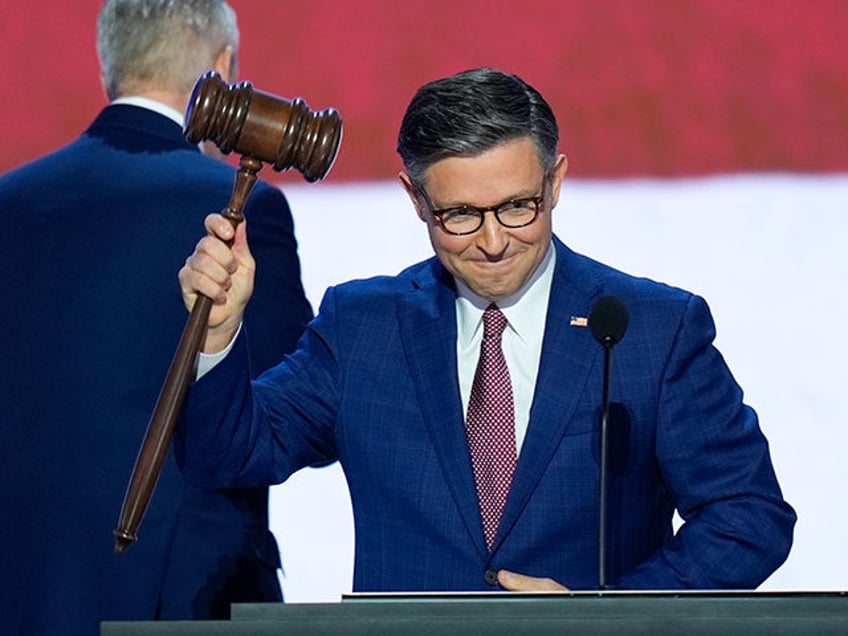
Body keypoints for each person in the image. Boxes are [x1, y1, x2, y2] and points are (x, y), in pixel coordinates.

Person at [175, 67, 795, 592]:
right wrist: (217, 338)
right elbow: (226, 454)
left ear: (555, 182)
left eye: (518, 206)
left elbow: (749, 514)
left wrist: (609, 615)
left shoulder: (652, 331)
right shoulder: (363, 327)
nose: (495, 242)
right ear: (415, 199)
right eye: (460, 215)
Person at [0, 1, 313, 633]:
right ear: (223, 70)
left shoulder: (9, 203)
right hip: (188, 599)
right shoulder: (238, 211)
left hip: (23, 596)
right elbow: (294, 405)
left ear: (108, 69)